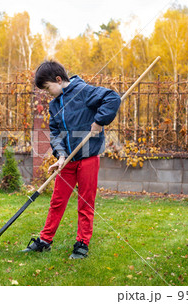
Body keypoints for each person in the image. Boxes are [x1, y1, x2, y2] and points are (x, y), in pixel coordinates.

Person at [22, 60, 121, 259]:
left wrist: (99, 122)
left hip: (88, 158)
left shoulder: (83, 91)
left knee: (85, 202)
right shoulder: (54, 104)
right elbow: (55, 132)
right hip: (67, 161)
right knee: (57, 201)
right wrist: (60, 156)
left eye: (48, 88)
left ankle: (82, 243)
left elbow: (113, 98)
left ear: (58, 80)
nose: (47, 93)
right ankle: (45, 240)